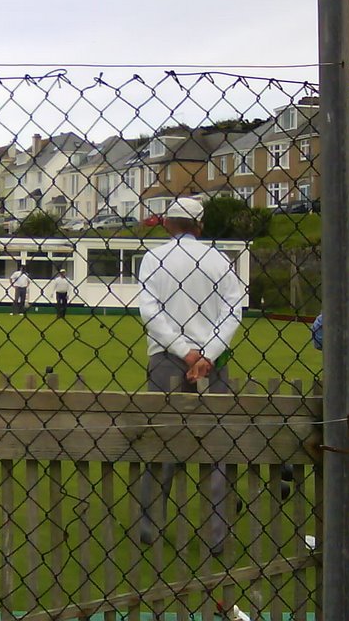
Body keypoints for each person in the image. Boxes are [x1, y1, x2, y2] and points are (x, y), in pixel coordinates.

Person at [135, 197, 243, 557]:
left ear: (168, 223)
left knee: (161, 440)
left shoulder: (154, 258)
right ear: (200, 225)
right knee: (217, 446)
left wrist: (185, 351)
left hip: (167, 357)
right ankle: (217, 535)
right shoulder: (219, 260)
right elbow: (233, 311)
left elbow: (150, 311)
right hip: (213, 361)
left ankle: (149, 526)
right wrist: (207, 353)